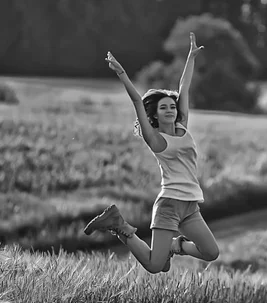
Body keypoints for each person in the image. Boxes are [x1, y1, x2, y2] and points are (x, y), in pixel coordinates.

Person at [83, 32, 220, 274]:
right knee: (156, 266)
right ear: (154, 115)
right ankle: (120, 225)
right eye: (163, 107)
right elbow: (137, 102)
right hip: (169, 205)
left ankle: (176, 246)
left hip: (190, 205)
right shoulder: (156, 140)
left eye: (172, 106)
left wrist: (190, 57)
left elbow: (183, 87)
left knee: (211, 253)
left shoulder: (182, 127)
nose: (170, 109)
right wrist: (122, 73)